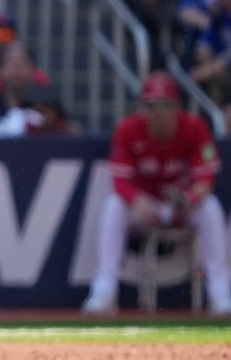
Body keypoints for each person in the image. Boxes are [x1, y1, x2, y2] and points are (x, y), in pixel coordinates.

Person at [83, 71, 231, 316]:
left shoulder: (195, 128)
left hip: (181, 203)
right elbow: (120, 181)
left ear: (177, 107)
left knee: (211, 207)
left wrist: (190, 198)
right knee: (114, 206)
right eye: (151, 105)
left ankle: (220, 292)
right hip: (145, 205)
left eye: (165, 105)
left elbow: (205, 179)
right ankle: (104, 289)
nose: (158, 112)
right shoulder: (129, 129)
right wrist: (138, 201)